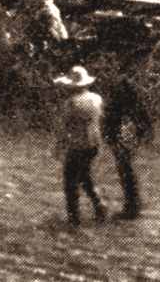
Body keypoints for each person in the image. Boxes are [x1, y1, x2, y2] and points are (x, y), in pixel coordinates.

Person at [53, 65, 108, 226]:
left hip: (77, 144)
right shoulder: (97, 98)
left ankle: (74, 216)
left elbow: (64, 128)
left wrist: (59, 146)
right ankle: (99, 205)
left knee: (70, 180)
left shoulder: (70, 103)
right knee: (84, 175)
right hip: (93, 143)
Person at [102, 78, 153, 219]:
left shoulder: (117, 106)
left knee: (125, 171)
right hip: (130, 139)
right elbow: (145, 123)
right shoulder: (135, 106)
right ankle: (133, 205)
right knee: (127, 171)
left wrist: (109, 138)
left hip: (123, 139)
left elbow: (109, 123)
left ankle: (132, 207)